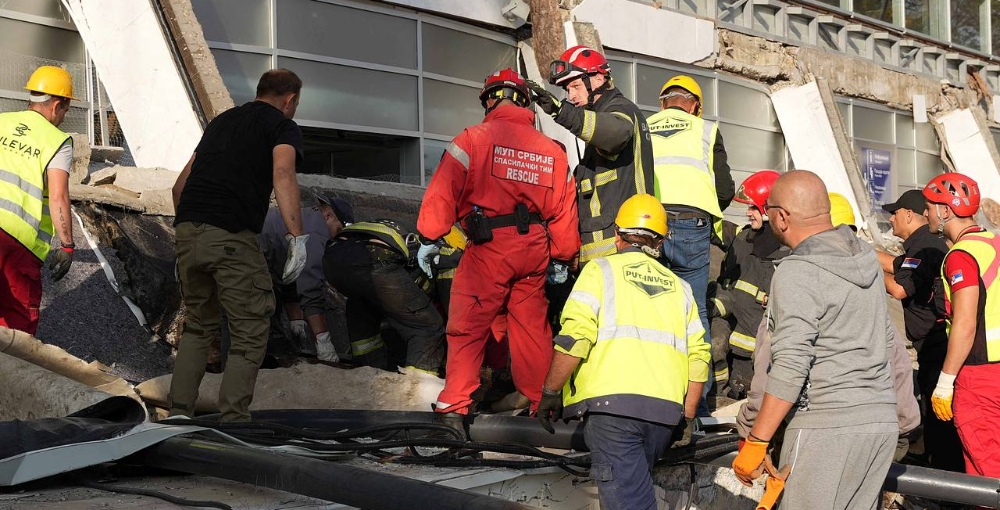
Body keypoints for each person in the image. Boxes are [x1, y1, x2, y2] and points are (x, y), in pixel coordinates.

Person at [417, 68, 579, 431]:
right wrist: (563, 255)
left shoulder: (473, 139)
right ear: (525, 101)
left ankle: (455, 408)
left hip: (489, 248)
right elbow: (565, 214)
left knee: (468, 326)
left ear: (489, 99)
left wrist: (429, 237)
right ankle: (543, 406)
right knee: (532, 329)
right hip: (535, 252)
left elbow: (442, 195)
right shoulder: (553, 151)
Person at [732, 171, 897, 509]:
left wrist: (757, 440)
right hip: (880, 423)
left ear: (781, 216)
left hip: (826, 426)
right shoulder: (865, 259)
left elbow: (791, 364)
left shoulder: (798, 272)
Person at [536, 193, 710, 510]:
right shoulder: (680, 288)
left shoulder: (599, 271)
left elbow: (576, 337)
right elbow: (698, 357)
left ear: (617, 236)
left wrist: (550, 392)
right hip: (662, 419)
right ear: (660, 242)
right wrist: (686, 416)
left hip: (613, 414)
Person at [169, 69, 308, 422]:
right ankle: (234, 421)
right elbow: (283, 174)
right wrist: (296, 236)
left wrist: (189, 236)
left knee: (199, 326)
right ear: (290, 100)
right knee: (249, 329)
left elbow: (179, 187)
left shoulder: (221, 122)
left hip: (188, 229)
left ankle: (178, 414)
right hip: (231, 235)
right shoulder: (280, 125)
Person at [526, 46, 653, 265]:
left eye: (575, 86)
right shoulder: (600, 116)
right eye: (567, 89)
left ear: (598, 78)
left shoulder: (622, 109)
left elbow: (614, 133)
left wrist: (561, 112)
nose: (571, 96)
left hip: (620, 250)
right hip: (607, 252)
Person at [876, 189, 962, 471]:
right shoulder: (921, 244)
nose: (891, 220)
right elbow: (896, 265)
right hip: (932, 342)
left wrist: (866, 268)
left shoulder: (924, 245)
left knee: (940, 416)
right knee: (932, 408)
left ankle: (946, 483)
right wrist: (865, 252)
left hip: (936, 343)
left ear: (909, 215)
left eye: (895, 213)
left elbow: (900, 288)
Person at [923, 172, 1000, 479]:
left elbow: (965, 323)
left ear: (946, 210)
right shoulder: (994, 242)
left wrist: (945, 383)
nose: (926, 212)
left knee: (987, 473)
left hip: (978, 377)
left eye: (929, 206)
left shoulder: (961, 256)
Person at [648, 75, 735, 336]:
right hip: (692, 224)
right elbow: (725, 190)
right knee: (694, 311)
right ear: (695, 105)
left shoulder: (643, 125)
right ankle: (697, 377)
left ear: (663, 104)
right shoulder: (706, 130)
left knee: (654, 308)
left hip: (651, 224)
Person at [0, 66, 77, 335]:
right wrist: (67, 245)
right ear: (57, 105)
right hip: (17, 242)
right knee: (17, 320)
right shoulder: (58, 140)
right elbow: (58, 196)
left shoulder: (1, 121)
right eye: (66, 110)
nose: (63, 117)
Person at [322, 219, 445, 374]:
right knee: (427, 327)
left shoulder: (387, 229)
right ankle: (416, 389)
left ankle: (368, 377)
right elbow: (410, 293)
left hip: (334, 258)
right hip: (377, 258)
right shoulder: (427, 254)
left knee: (364, 311)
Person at [711, 170, 786, 398]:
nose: (747, 213)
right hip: (735, 348)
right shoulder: (743, 238)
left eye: (753, 207)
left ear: (767, 209)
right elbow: (718, 230)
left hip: (761, 356)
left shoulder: (785, 252)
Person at [259, 192, 354, 362]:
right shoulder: (316, 232)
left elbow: (290, 277)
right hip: (249, 255)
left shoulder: (305, 218)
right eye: (339, 230)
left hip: (257, 256)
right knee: (255, 321)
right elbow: (310, 288)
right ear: (329, 215)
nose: (337, 237)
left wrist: (297, 323)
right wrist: (323, 341)